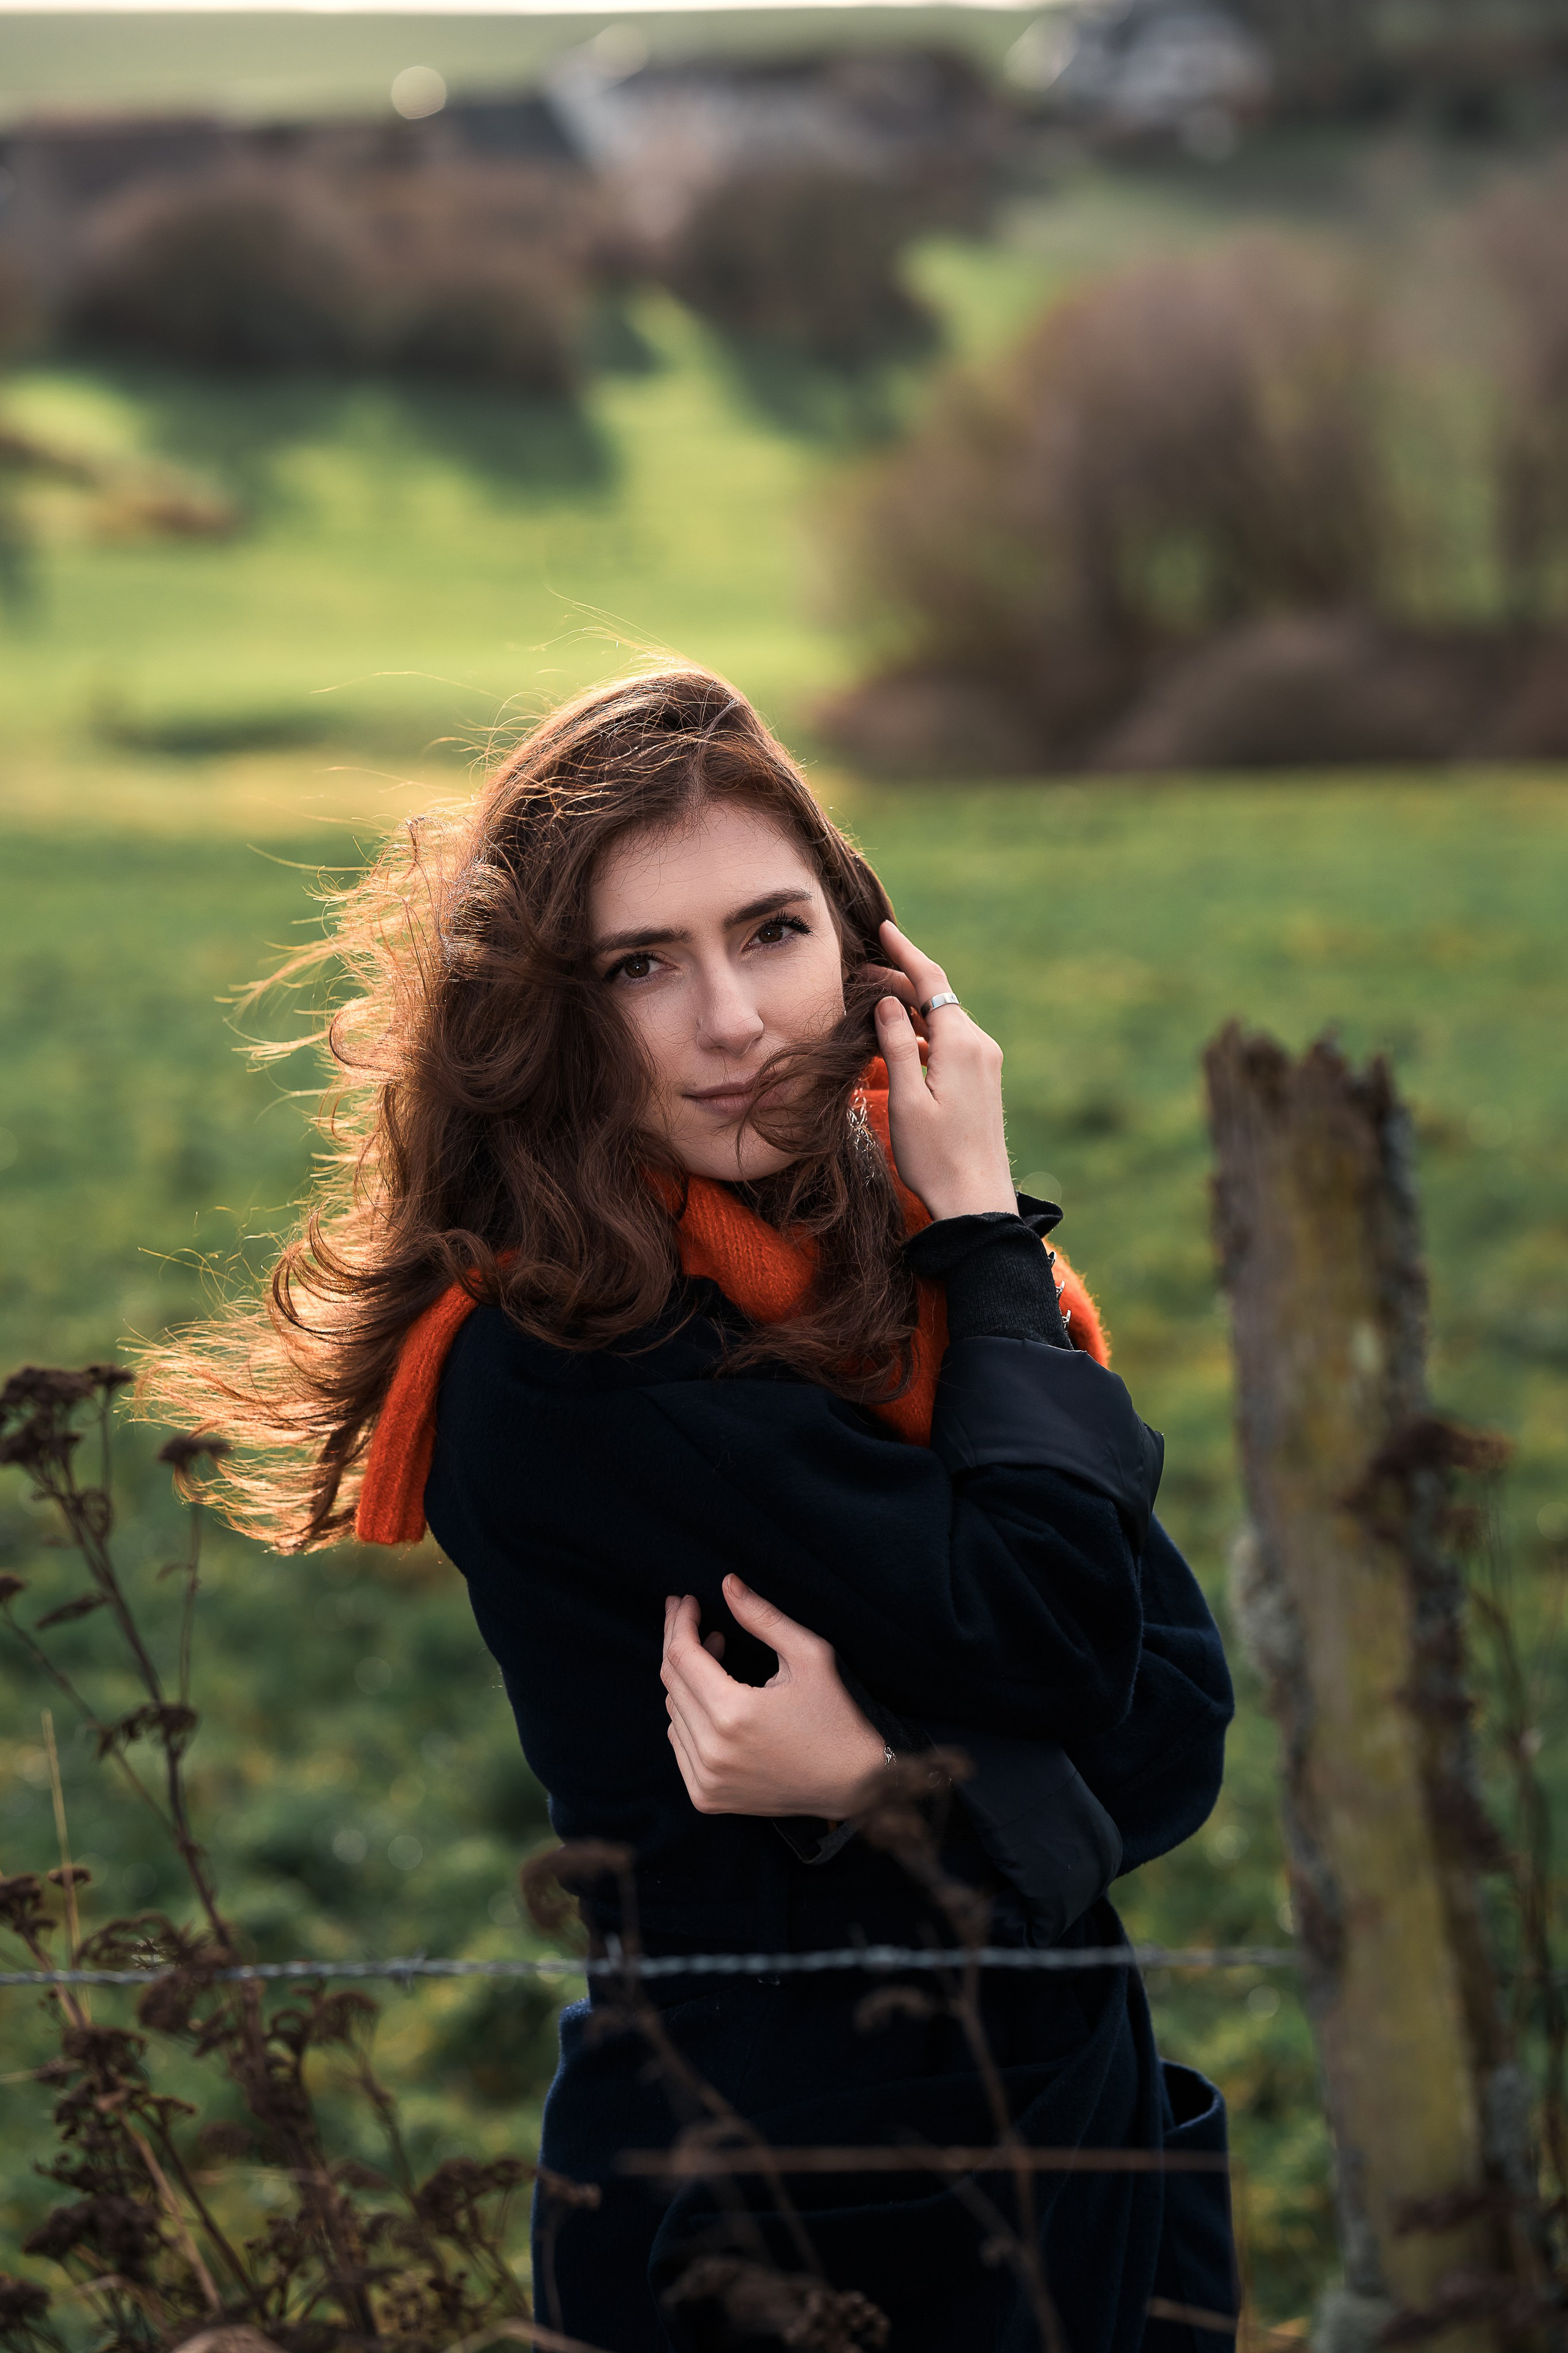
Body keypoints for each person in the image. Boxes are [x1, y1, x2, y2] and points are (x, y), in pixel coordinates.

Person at [141, 666, 1235, 2353]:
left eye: (772, 933)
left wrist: (881, 1779)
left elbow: (1174, 1732)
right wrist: (988, 1241)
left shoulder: (882, 1275)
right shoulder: (574, 1361)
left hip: (1051, 2140)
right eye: (641, 966)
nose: (733, 1022)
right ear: (547, 1018)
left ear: (871, 960)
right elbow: (1067, 1647)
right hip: (798, 2208)